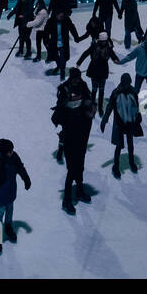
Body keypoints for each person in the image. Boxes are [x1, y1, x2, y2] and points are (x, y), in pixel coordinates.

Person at [53, 68, 96, 214]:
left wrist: (90, 109)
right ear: (71, 78)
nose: (76, 81)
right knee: (72, 169)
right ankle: (67, 200)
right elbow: (60, 108)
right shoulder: (64, 89)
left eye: (78, 78)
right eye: (74, 79)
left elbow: (90, 101)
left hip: (82, 131)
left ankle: (79, 190)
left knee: (80, 165)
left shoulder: (83, 86)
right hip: (70, 132)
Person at [102, 73, 144, 178]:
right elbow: (109, 108)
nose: (127, 85)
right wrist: (104, 121)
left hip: (130, 122)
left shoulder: (133, 91)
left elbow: (136, 105)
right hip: (120, 123)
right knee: (119, 145)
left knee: (130, 143)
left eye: (128, 83)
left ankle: (131, 162)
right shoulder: (116, 93)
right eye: (125, 83)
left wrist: (138, 115)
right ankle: (116, 166)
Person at [76, 30, 121, 117]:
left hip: (103, 71)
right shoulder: (94, 46)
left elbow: (112, 54)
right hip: (94, 70)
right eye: (103, 41)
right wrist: (79, 62)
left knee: (101, 90)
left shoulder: (108, 47)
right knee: (94, 90)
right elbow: (86, 53)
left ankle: (100, 107)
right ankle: (92, 105)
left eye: (105, 41)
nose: (104, 42)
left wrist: (116, 59)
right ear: (100, 40)